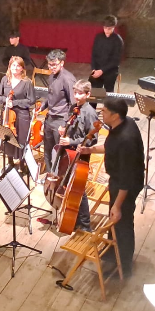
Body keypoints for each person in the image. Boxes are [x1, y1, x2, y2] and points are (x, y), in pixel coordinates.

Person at [80, 98, 144, 277]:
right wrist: (90, 150)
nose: (101, 113)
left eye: (105, 111)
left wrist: (117, 205)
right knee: (115, 220)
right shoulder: (123, 124)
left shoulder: (126, 139)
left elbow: (126, 178)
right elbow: (110, 147)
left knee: (122, 222)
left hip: (127, 184)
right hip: (119, 180)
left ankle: (124, 266)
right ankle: (111, 252)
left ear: (115, 116)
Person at [38, 80, 98, 232]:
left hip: (80, 155)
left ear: (88, 94)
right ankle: (73, 219)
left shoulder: (90, 112)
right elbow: (70, 127)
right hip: (68, 154)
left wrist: (71, 140)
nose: (76, 96)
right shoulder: (73, 108)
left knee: (79, 190)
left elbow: (93, 139)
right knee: (68, 187)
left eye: (80, 93)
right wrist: (63, 129)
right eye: (75, 93)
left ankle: (85, 225)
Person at [40, 49, 76, 173]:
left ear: (62, 63)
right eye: (49, 64)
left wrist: (65, 124)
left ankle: (58, 178)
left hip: (61, 120)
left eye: (54, 64)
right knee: (48, 150)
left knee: (59, 153)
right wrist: (43, 106)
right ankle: (49, 176)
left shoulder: (68, 79)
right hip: (50, 118)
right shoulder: (51, 76)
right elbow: (51, 96)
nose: (51, 67)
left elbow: (73, 104)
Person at [0, 56, 36, 165]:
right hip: (7, 114)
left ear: (22, 68)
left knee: (22, 139)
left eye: (18, 66)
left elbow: (31, 100)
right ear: (9, 66)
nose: (15, 68)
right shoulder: (5, 80)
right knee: (8, 137)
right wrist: (6, 100)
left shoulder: (27, 82)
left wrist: (14, 103)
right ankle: (10, 162)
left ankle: (22, 164)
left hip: (22, 114)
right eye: (13, 65)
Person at [90, 15, 123, 103]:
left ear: (114, 27)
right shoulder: (98, 37)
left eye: (109, 28)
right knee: (93, 93)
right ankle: (92, 110)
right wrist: (93, 69)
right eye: (105, 28)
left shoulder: (118, 40)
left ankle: (108, 109)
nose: (107, 30)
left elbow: (116, 61)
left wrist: (102, 71)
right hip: (97, 70)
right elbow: (93, 54)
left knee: (109, 93)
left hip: (110, 71)